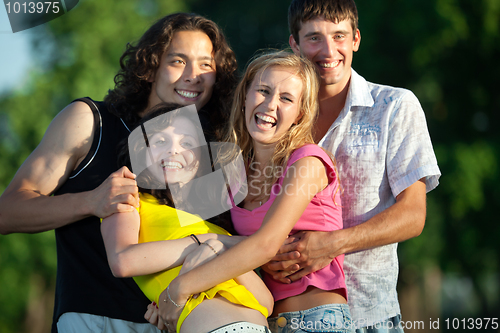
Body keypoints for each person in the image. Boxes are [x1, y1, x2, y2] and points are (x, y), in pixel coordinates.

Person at [0, 12, 237, 332]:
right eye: (178, 61)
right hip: (91, 321)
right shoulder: (89, 121)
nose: (194, 75)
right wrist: (91, 201)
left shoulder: (211, 152)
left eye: (206, 64)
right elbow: (7, 212)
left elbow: (212, 250)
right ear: (151, 66)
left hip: (174, 322)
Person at [260, 0, 441, 331]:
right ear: (295, 44)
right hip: (279, 317)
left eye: (339, 35)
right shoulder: (272, 116)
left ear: (356, 39)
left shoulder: (394, 107)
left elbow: (413, 215)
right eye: (314, 37)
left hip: (370, 317)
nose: (329, 50)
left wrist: (331, 244)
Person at [157, 51, 355, 333]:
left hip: (318, 319)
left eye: (286, 98)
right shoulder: (235, 173)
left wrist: (180, 289)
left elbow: (265, 245)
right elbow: (220, 242)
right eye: (263, 91)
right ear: (246, 97)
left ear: (299, 114)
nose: (270, 104)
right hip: (263, 320)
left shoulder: (308, 161)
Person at [101, 103, 273, 333]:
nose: (174, 151)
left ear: (201, 159)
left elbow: (265, 303)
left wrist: (218, 246)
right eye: (161, 141)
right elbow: (122, 261)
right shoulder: (132, 199)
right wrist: (204, 243)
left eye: (187, 143)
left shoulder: (217, 226)